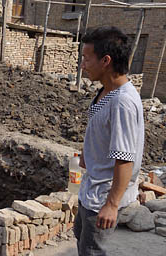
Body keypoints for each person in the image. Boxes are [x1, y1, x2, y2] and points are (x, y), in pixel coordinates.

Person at [75, 26, 144, 255]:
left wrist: (112, 205)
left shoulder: (122, 102)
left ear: (105, 60)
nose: (82, 65)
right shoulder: (106, 92)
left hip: (102, 197)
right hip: (91, 189)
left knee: (92, 250)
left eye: (86, 58)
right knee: (83, 242)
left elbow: (125, 158)